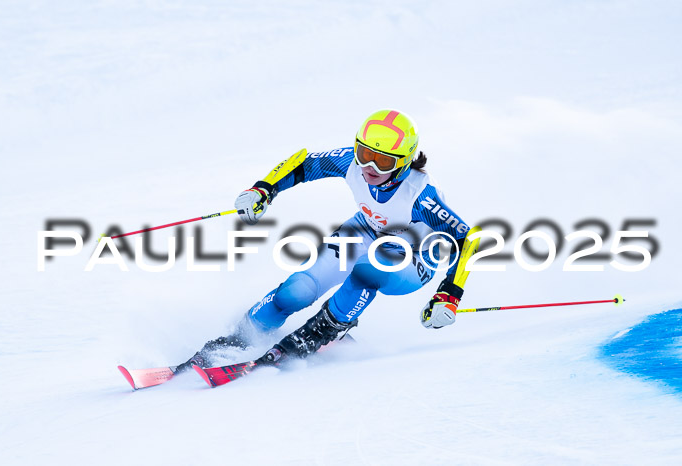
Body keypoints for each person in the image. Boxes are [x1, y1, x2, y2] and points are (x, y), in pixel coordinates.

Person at [177, 109, 471, 371]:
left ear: (404, 162)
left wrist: (448, 296)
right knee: (298, 289)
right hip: (365, 231)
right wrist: (264, 190)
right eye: (364, 153)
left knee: (369, 269)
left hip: (414, 257)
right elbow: (303, 164)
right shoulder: (352, 163)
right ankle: (242, 336)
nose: (369, 167)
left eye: (382, 161)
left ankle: (321, 331)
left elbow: (466, 238)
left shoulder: (421, 196)